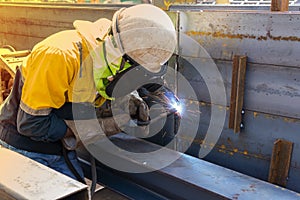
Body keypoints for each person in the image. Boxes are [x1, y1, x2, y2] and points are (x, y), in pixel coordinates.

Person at [0, 4, 176, 182]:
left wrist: (131, 102)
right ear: (120, 55)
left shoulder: (111, 59)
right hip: (25, 146)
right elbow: (31, 125)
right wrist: (107, 125)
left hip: (59, 146)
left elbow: (91, 96)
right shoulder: (61, 55)